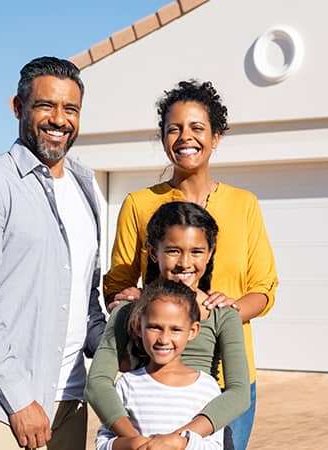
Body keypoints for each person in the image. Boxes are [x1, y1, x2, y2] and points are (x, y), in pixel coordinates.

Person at [87, 80, 277, 450]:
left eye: (196, 128)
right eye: (173, 129)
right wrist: (135, 304)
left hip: (226, 375)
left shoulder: (244, 205)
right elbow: (118, 285)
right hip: (152, 370)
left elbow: (265, 289)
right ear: (162, 138)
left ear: (216, 136)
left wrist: (218, 311)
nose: (184, 137)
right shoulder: (139, 204)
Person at [0, 56, 105, 450]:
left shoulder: (87, 187)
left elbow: (88, 303)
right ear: (18, 107)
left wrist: (126, 355)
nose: (59, 119)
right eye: (45, 105)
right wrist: (19, 400)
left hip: (70, 399)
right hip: (1, 408)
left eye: (70, 109)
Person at [89, 201, 249, 449]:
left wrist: (178, 440)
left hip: (200, 439)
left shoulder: (223, 315)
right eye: (173, 250)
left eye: (196, 251)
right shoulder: (128, 309)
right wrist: (137, 441)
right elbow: (98, 381)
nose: (185, 262)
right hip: (140, 431)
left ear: (210, 252)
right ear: (153, 252)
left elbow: (238, 393)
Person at [96, 279, 226, 450]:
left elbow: (215, 446)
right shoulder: (127, 384)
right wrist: (133, 444)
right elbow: (102, 443)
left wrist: (180, 443)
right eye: (154, 327)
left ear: (193, 331)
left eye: (175, 329)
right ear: (137, 327)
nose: (164, 339)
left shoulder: (207, 387)